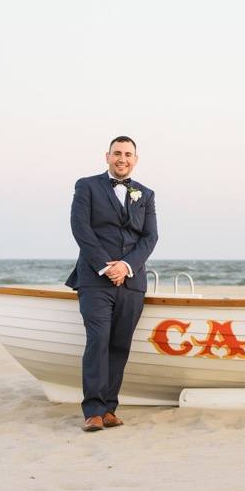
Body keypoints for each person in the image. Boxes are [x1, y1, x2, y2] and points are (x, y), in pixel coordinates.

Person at [66, 136, 158, 432]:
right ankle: (92, 410)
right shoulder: (87, 186)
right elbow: (80, 228)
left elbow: (150, 237)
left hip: (131, 282)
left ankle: (109, 409)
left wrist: (126, 266)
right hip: (95, 280)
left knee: (120, 345)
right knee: (98, 341)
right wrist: (107, 266)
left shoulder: (146, 194)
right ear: (107, 156)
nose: (122, 159)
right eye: (117, 153)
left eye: (128, 154)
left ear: (136, 159)